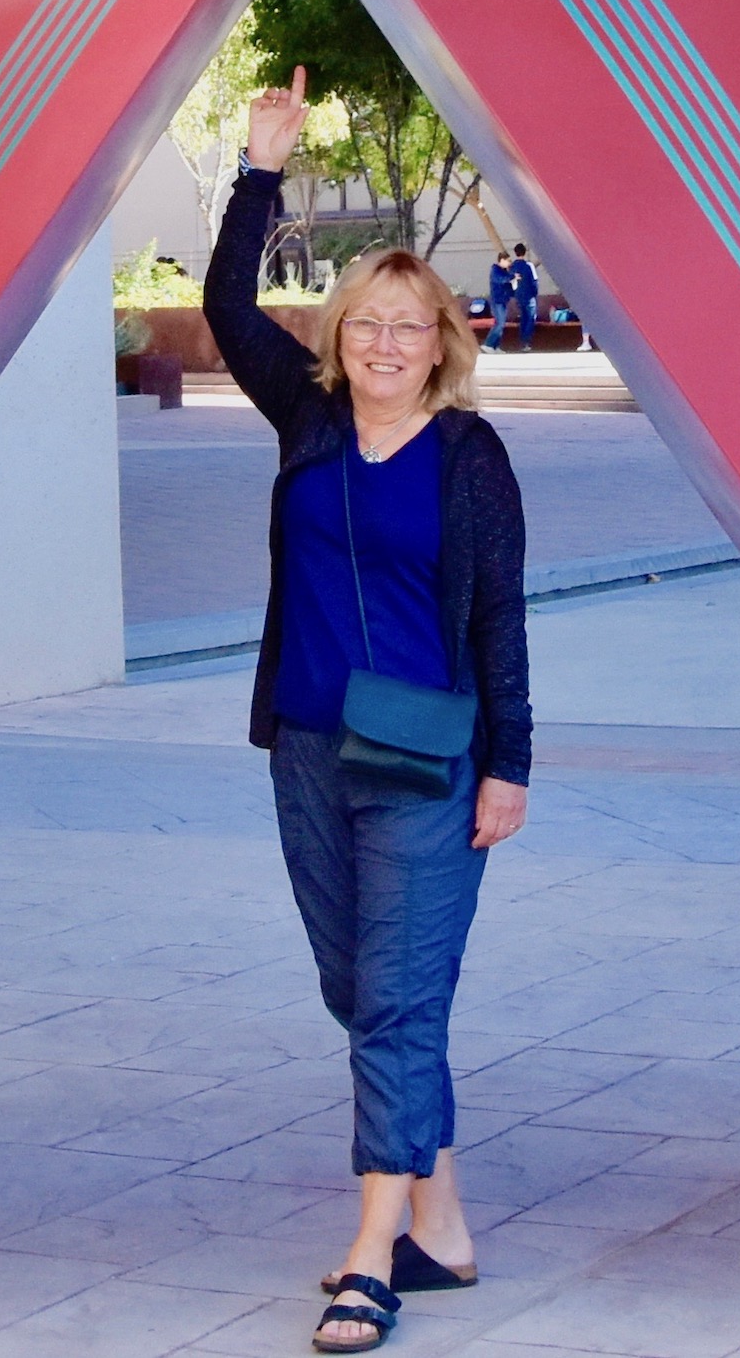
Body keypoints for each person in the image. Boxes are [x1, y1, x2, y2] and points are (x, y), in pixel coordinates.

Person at [211, 65, 532, 1354]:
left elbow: (499, 620)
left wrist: (510, 767)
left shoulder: (469, 458)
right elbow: (227, 306)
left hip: (428, 765)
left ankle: (370, 1252)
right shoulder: (308, 423)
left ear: (441, 343)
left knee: (398, 1000)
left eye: (410, 326)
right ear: (340, 336)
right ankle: (442, 1219)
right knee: (359, 989)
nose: (384, 344)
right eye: (364, 323)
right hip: (304, 746)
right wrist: (258, 166)